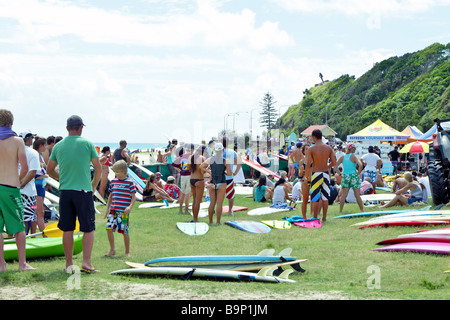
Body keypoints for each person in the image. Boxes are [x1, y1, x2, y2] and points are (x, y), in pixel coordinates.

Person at [47, 115, 102, 273]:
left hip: (65, 191)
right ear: (81, 128)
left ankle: (69, 264)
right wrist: (93, 185)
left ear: (67, 128)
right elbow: (98, 168)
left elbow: (49, 169)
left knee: (67, 229)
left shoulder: (58, 146)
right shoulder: (87, 144)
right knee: (88, 228)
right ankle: (86, 262)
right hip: (83, 190)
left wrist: (60, 178)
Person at [0, 109, 35, 271]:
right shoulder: (17, 141)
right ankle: (22, 264)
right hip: (11, 187)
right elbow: (25, 168)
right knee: (19, 227)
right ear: (11, 123)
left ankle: (1, 264)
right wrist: (18, 180)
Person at [104, 160, 136, 257]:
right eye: (115, 172)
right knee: (109, 228)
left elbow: (133, 197)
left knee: (124, 231)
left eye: (117, 172)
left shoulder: (130, 183)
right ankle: (112, 249)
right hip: (113, 210)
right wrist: (107, 209)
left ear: (124, 171)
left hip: (123, 212)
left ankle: (127, 252)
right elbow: (110, 195)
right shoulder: (113, 181)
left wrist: (130, 207)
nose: (116, 174)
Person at [305, 129, 335, 222]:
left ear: (314, 137)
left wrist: (307, 177)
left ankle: (314, 217)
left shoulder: (311, 149)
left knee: (315, 197)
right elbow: (334, 162)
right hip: (325, 173)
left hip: (316, 173)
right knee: (325, 196)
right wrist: (327, 166)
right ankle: (324, 218)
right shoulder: (329, 148)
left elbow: (308, 164)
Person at [199, 143, 232, 225]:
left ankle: (210, 221)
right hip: (222, 183)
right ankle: (218, 222)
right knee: (219, 203)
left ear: (215, 151)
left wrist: (209, 171)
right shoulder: (226, 161)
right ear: (222, 151)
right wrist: (224, 172)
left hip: (213, 183)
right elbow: (229, 174)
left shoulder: (210, 159)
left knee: (212, 203)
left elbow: (201, 166)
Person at [19, 130, 40, 235]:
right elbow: (32, 172)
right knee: (31, 217)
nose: (33, 139)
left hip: (14, 188)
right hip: (28, 191)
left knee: (17, 217)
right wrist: (22, 184)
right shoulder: (33, 153)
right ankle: (30, 237)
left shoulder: (15, 151)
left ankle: (13, 239)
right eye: (32, 137)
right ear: (28, 139)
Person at [334, 143, 364, 213]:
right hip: (353, 175)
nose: (355, 149)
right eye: (354, 148)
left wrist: (339, 173)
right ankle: (362, 210)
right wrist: (359, 172)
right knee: (357, 195)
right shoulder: (354, 156)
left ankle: (340, 211)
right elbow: (360, 165)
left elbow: (335, 166)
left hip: (345, 175)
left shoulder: (342, 157)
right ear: (351, 149)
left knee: (344, 195)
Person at [33, 136, 49, 235]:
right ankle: (44, 233)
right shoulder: (34, 155)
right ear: (40, 145)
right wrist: (41, 176)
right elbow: (33, 172)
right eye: (45, 145)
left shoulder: (41, 156)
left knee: (40, 211)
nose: (46, 147)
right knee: (39, 211)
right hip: (37, 186)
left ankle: (43, 232)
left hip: (42, 185)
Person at [187, 145, 207, 221]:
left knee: (194, 200)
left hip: (191, 179)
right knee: (198, 201)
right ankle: (195, 218)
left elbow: (188, 168)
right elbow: (203, 171)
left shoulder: (190, 157)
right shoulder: (202, 158)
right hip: (199, 180)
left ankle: (194, 217)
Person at [222, 137, 242, 217]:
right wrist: (236, 172)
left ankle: (215, 209)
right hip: (229, 176)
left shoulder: (217, 152)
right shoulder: (232, 152)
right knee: (230, 194)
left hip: (219, 176)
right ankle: (230, 210)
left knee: (218, 194)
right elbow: (239, 162)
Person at [172, 143, 193, 214]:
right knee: (188, 193)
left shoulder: (182, 156)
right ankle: (186, 210)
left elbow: (173, 164)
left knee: (183, 192)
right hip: (189, 175)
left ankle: (180, 209)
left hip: (183, 175)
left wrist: (180, 170)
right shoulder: (192, 156)